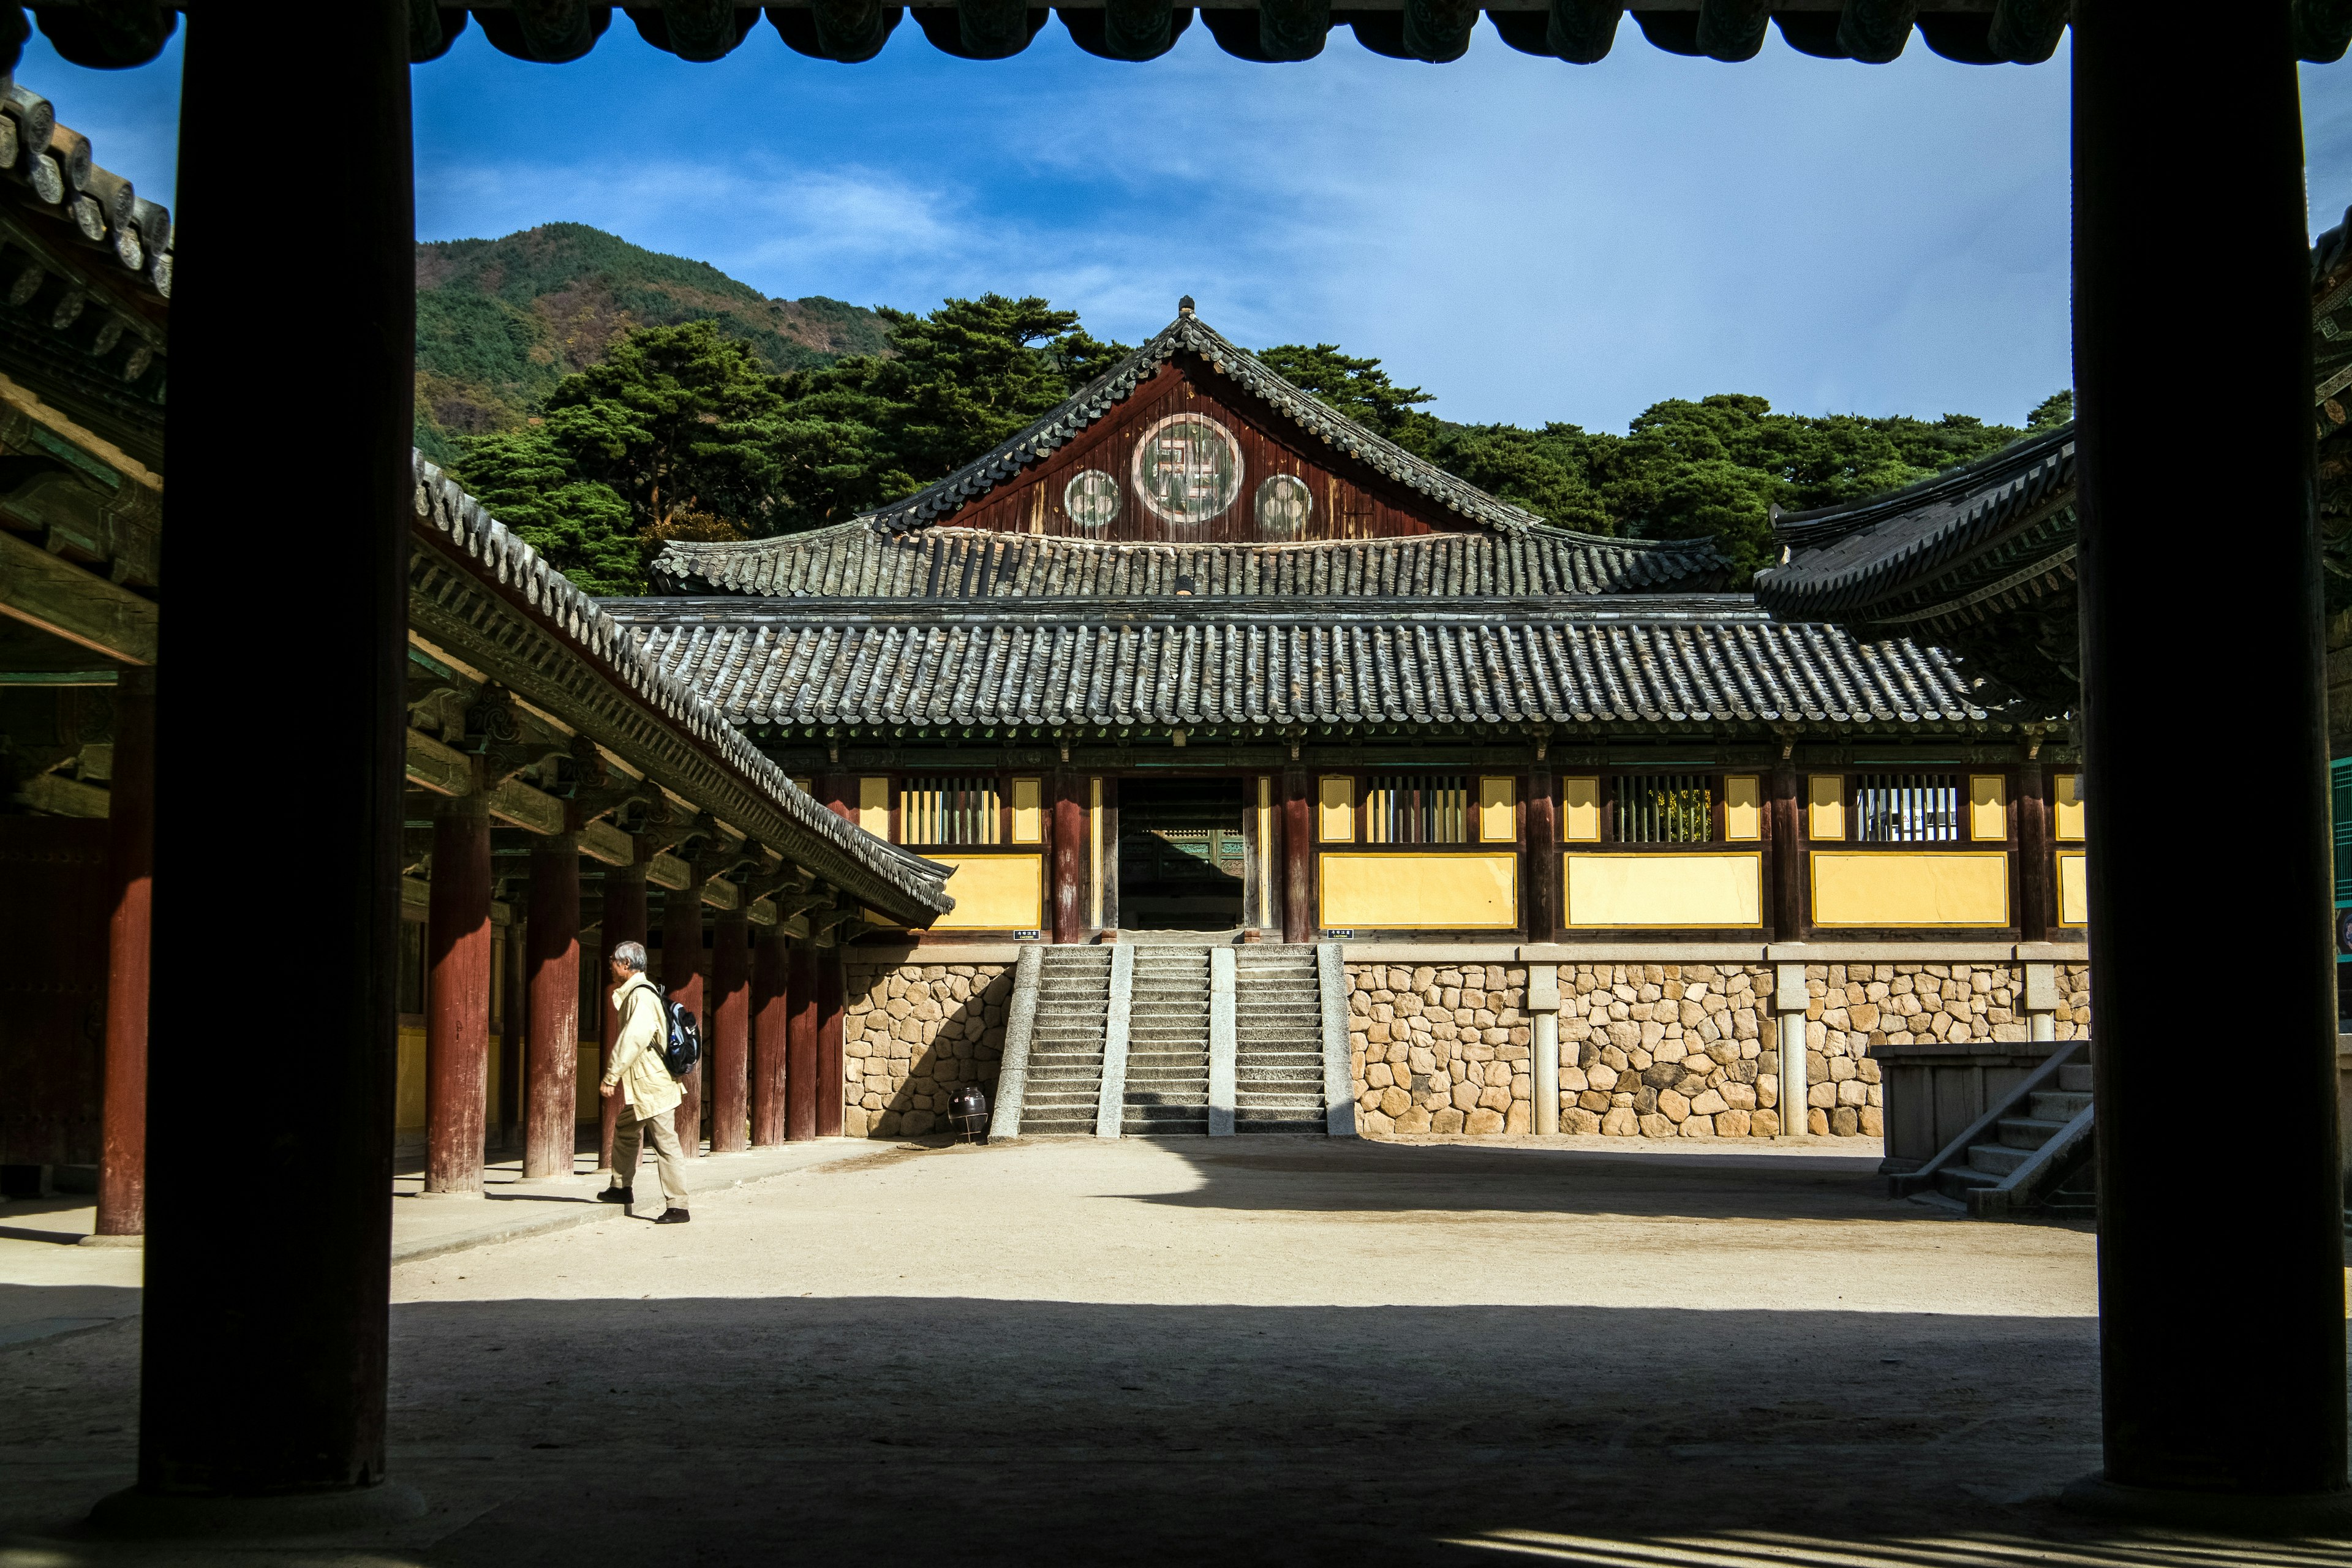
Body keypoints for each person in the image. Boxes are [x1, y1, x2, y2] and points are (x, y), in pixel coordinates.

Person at [598, 940, 690, 1224]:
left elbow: (633, 1039)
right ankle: (621, 1187)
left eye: (613, 960)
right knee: (626, 1128)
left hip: (654, 1084)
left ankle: (679, 1206)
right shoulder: (639, 992)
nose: (610, 964)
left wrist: (612, 1075)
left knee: (665, 1143)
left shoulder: (640, 995)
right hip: (646, 1084)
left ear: (626, 965)